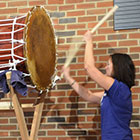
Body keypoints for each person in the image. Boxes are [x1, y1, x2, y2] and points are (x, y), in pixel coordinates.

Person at [61, 30, 135, 140]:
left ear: (118, 67)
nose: (106, 67)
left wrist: (89, 41)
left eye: (108, 64)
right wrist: (69, 78)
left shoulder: (120, 89)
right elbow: (88, 95)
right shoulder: (112, 93)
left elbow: (89, 68)